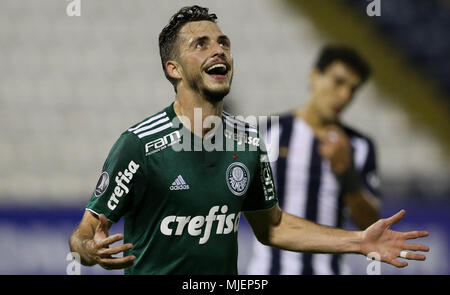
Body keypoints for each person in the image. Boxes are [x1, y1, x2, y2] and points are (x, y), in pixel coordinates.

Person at [69, 5, 429, 275]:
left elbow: (272, 226)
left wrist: (358, 241)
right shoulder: (140, 145)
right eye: (201, 44)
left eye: (223, 42)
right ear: (173, 69)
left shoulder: (247, 140)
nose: (219, 49)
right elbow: (84, 232)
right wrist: (89, 248)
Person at [247, 46, 383, 275]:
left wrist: (347, 173)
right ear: (314, 76)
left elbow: (369, 225)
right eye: (338, 82)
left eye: (353, 89)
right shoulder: (267, 133)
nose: (344, 96)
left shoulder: (359, 147)